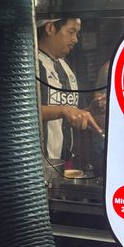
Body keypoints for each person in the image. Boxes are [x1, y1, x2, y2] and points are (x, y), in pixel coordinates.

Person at [36, 18, 104, 160]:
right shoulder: (32, 65)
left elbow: (72, 112)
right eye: (71, 32)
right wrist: (64, 111)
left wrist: (89, 111)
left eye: (76, 34)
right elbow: (19, 113)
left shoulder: (66, 67)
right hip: (36, 161)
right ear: (50, 28)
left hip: (63, 160)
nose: (75, 40)